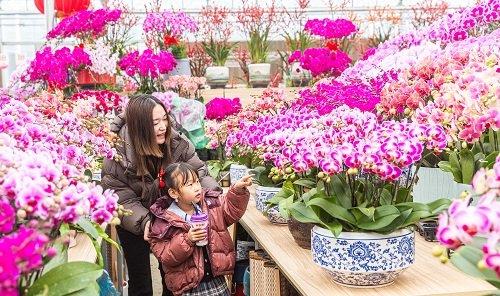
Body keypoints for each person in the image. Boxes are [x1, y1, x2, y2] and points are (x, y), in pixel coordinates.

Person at [101, 94, 220, 296]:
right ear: (139, 127)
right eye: (155, 123)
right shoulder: (117, 153)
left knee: (173, 277)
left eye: (164, 119)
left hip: (171, 218)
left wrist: (214, 199)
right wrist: (146, 222)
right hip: (136, 223)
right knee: (141, 282)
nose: (163, 127)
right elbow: (121, 196)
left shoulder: (176, 142)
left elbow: (199, 172)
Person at [149, 163, 251, 296]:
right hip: (189, 287)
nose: (197, 187)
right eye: (189, 185)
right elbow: (165, 255)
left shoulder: (210, 204)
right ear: (174, 193)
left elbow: (230, 211)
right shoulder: (165, 221)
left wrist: (237, 191)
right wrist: (188, 239)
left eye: (197, 181)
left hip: (216, 280)